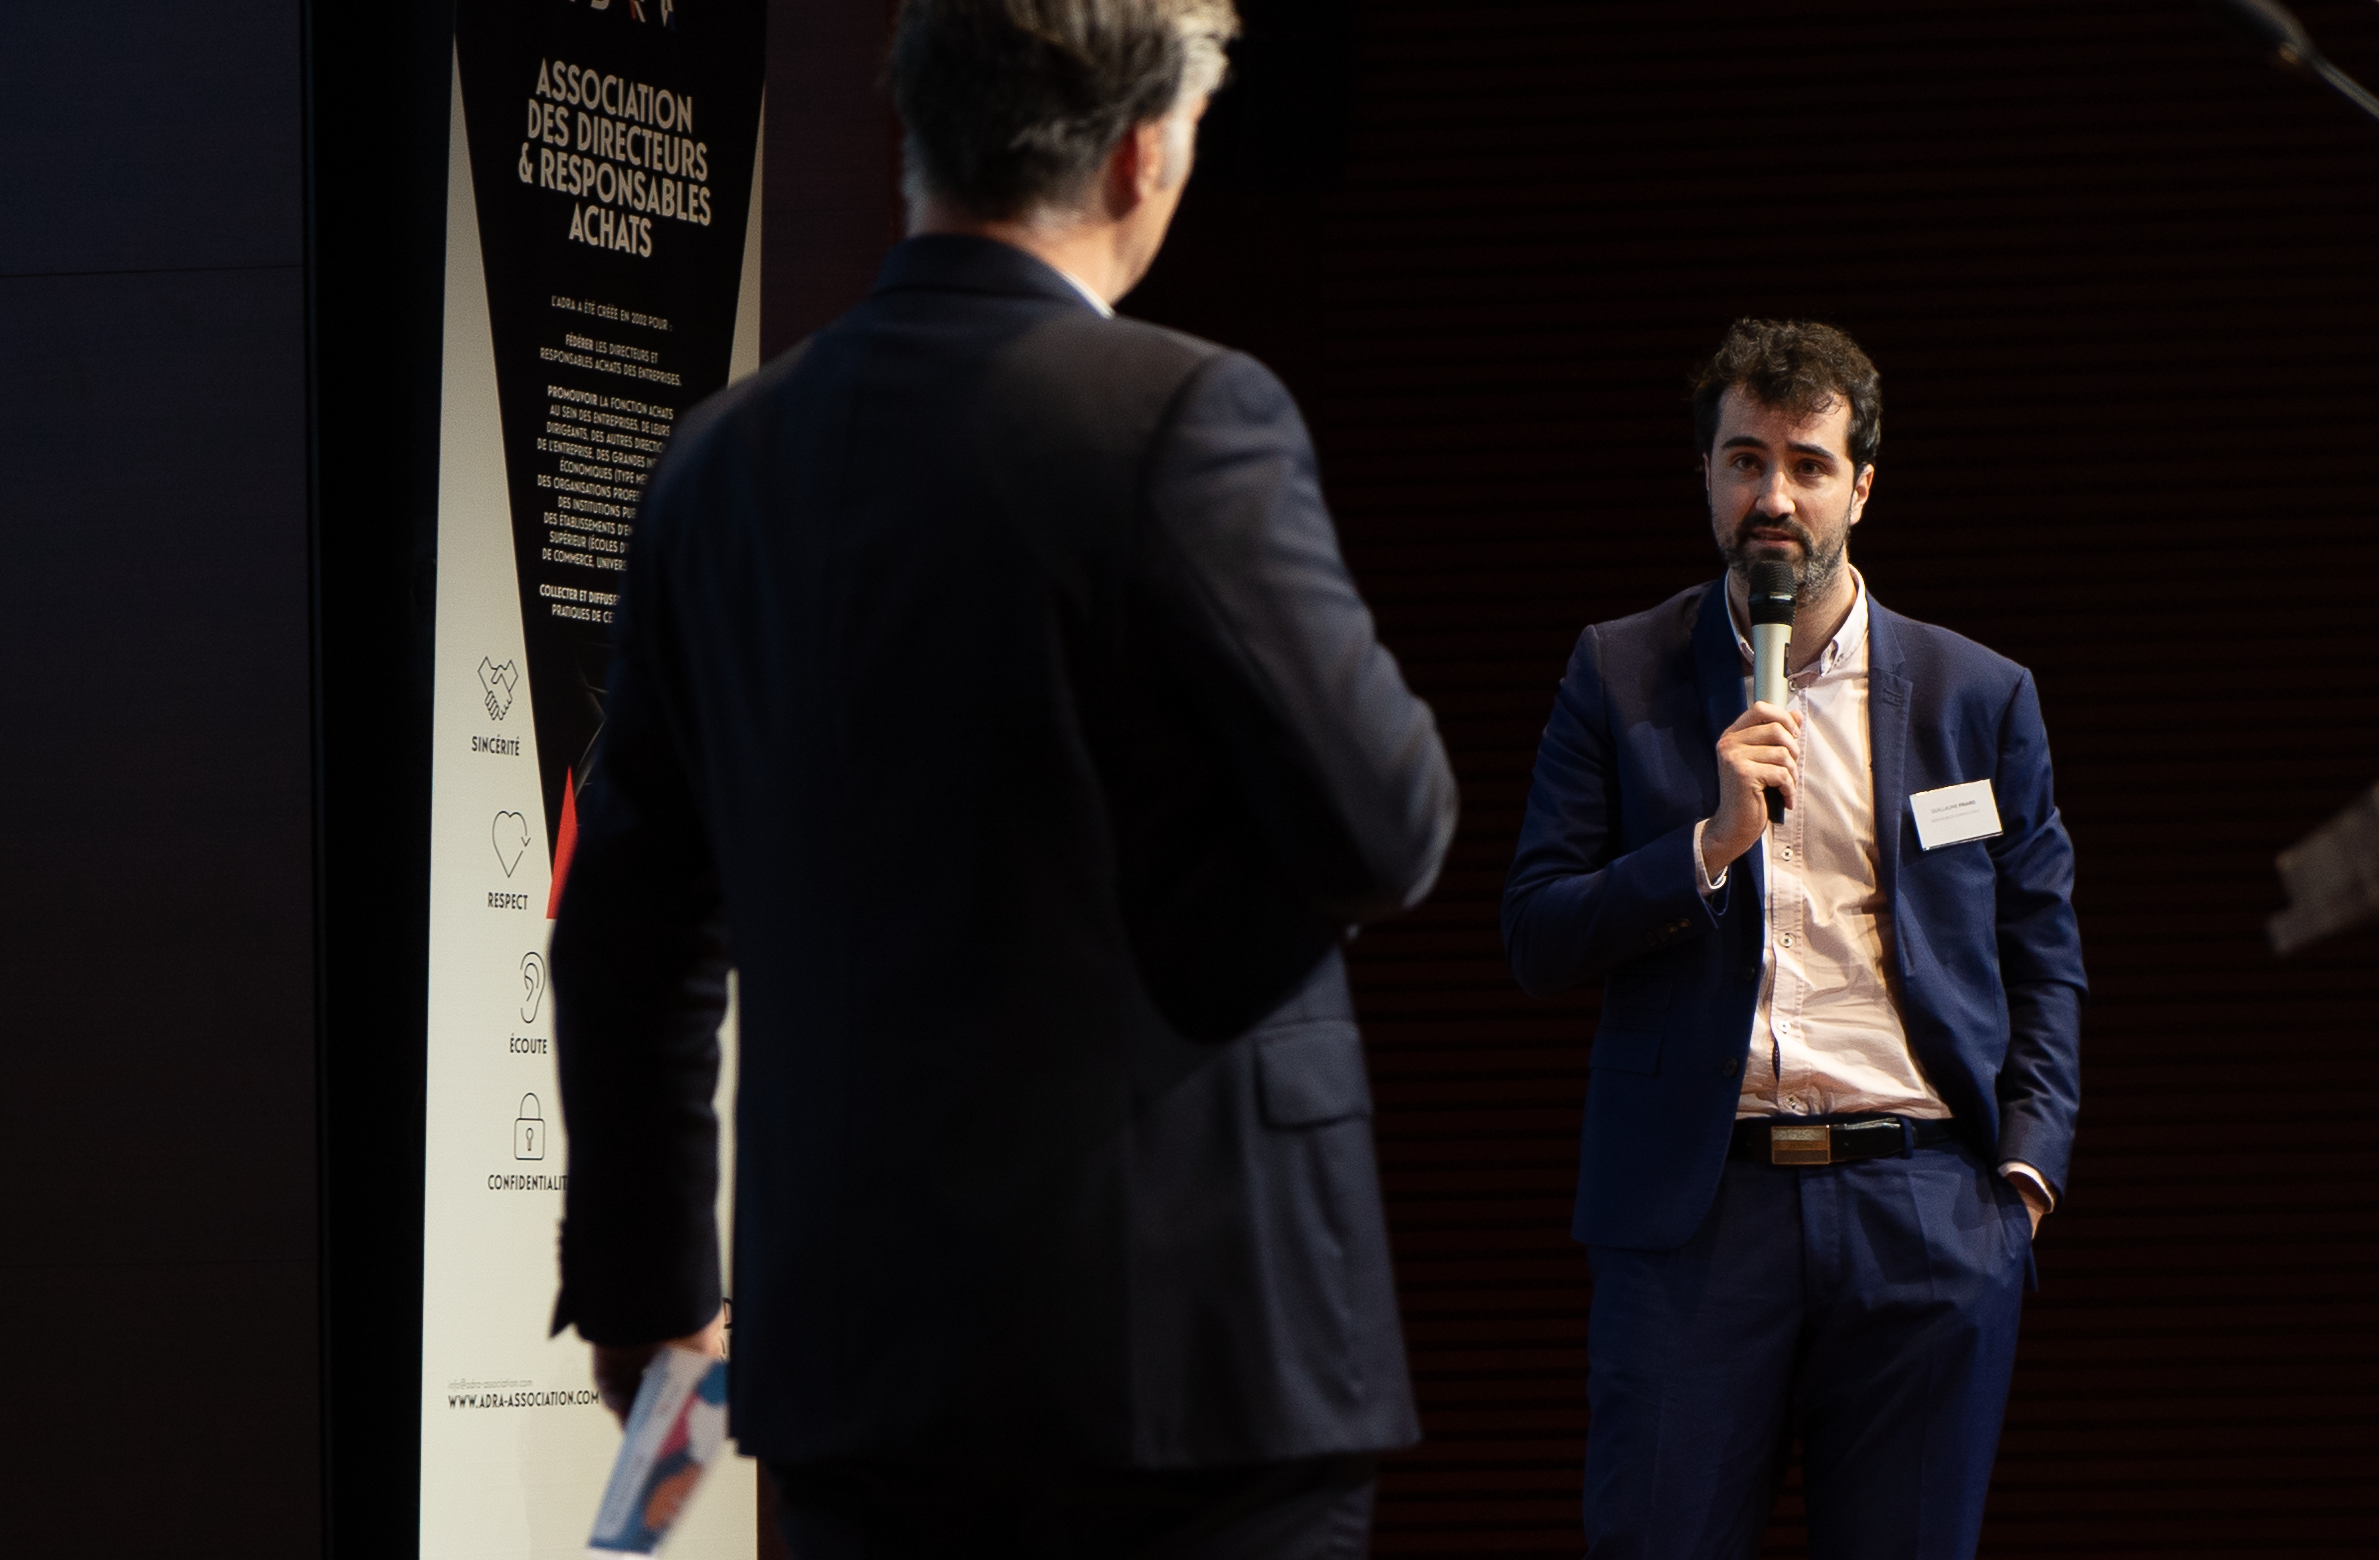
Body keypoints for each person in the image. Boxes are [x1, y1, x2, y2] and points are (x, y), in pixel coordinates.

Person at [545, 1, 1458, 1554]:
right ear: (1140, 154)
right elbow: (1388, 828)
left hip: (859, 1359)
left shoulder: (716, 465)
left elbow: (631, 927)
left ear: (916, 134)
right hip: (1188, 1353)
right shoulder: (1184, 416)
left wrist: (649, 1288)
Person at [1501, 319, 2084, 1559]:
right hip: (1698, 1212)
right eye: (1743, 460)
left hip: (1922, 1207)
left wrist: (2022, 1177)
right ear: (1706, 477)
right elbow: (1537, 933)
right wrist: (1702, 847)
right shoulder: (1621, 672)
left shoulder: (1978, 696)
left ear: (1860, 486)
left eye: (1807, 464)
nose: (1772, 496)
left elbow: (2041, 952)